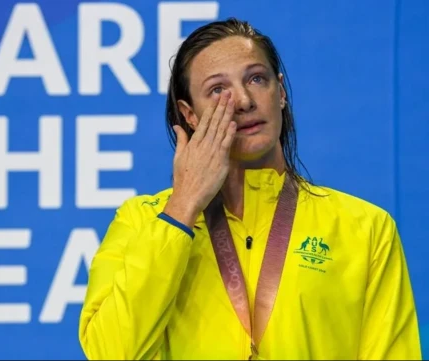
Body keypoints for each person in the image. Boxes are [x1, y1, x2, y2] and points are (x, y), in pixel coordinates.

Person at [77, 18, 422, 360]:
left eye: (257, 78)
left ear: (281, 92)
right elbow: (112, 353)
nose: (243, 100)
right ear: (190, 115)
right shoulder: (141, 222)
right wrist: (182, 208)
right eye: (217, 90)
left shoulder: (365, 228)